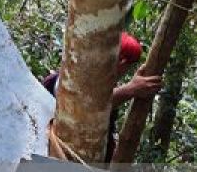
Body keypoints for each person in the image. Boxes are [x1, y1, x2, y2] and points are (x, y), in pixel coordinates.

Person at [42, 31, 163, 161]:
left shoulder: (107, 87)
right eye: (128, 66)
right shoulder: (64, 81)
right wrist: (131, 89)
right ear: (122, 62)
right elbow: (84, 107)